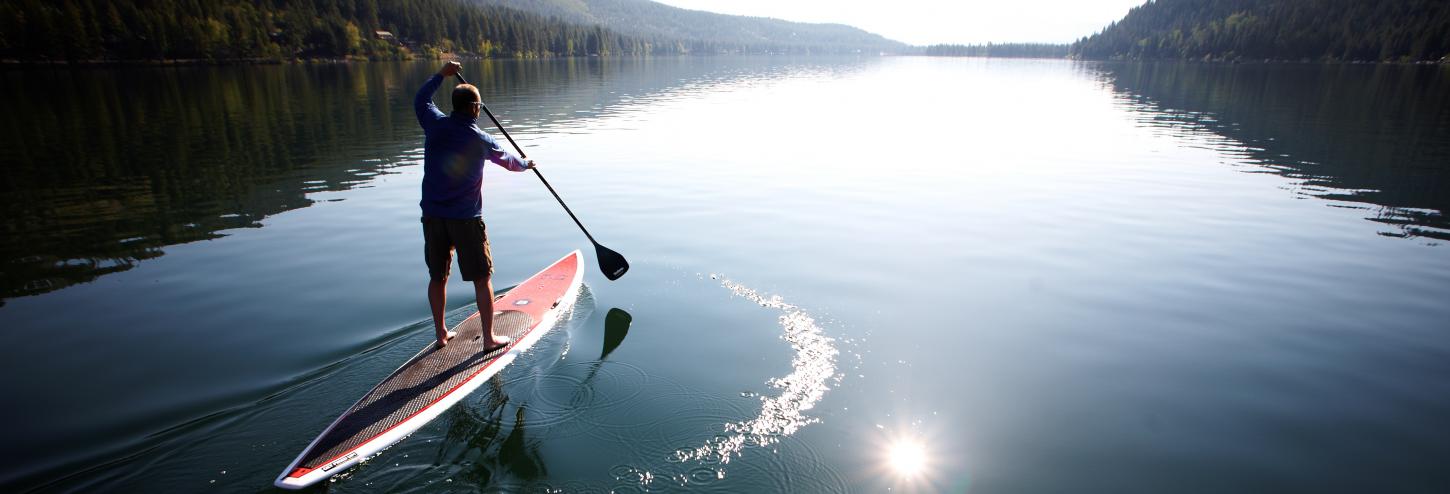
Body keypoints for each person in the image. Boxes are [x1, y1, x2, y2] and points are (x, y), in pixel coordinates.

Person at [415, 61, 534, 350]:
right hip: (465, 219)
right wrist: (526, 163)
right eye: (479, 106)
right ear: (474, 108)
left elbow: (421, 99)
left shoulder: (434, 123)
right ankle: (489, 339)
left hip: (432, 216)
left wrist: (440, 75)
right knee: (482, 278)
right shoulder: (480, 139)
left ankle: (441, 333)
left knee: (437, 277)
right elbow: (510, 162)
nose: (480, 110)